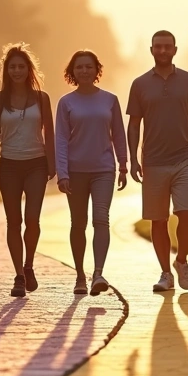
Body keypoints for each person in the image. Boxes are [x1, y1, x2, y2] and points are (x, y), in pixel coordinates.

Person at [127, 30, 188, 293]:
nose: (162, 51)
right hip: (153, 161)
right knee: (158, 220)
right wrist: (132, 158)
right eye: (158, 47)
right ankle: (165, 273)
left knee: (187, 214)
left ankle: (181, 259)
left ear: (175, 49)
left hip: (184, 157)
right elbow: (134, 124)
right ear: (151, 50)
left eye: (167, 47)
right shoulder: (140, 84)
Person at [0, 43, 56, 298]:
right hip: (9, 166)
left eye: (21, 66)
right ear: (6, 70)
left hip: (36, 163)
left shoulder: (41, 98)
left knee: (33, 220)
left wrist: (52, 162)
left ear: (29, 69)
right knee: (13, 221)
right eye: (12, 67)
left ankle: (29, 265)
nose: (16, 71)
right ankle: (18, 275)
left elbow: (49, 130)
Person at [56, 50, 128, 296]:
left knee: (101, 219)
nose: (84, 71)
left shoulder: (110, 100)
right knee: (78, 223)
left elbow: (119, 134)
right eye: (79, 67)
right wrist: (62, 172)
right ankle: (79, 276)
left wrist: (124, 164)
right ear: (72, 72)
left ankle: (98, 272)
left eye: (89, 67)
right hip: (75, 171)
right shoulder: (66, 102)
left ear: (97, 70)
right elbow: (61, 140)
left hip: (103, 170)